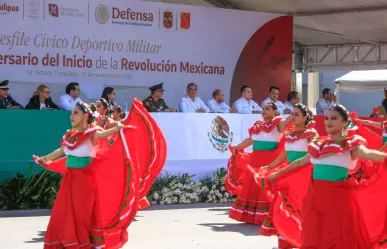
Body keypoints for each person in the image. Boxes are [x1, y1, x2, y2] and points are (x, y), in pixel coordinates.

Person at [32, 98, 167, 248]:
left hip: (85, 182)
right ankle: (67, 242)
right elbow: (61, 151)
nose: (71, 116)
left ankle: (82, 243)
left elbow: (105, 135)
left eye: (75, 113)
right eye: (71, 113)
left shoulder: (92, 135)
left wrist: (117, 128)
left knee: (81, 215)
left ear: (84, 116)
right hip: (69, 181)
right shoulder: (70, 136)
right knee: (62, 213)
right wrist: (44, 159)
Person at [268, 104, 387, 249]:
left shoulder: (350, 145)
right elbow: (300, 162)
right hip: (315, 200)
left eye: (334, 118)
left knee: (338, 239)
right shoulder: (318, 145)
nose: (329, 122)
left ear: (345, 122)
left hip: (339, 202)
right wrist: (276, 173)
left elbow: (370, 154)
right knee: (313, 236)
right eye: (327, 118)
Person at [248, 103, 317, 249]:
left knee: (299, 209)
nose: (293, 117)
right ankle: (284, 242)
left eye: (297, 114)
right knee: (283, 207)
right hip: (289, 172)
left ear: (305, 117)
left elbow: (310, 157)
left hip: (303, 175)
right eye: (292, 113)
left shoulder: (311, 135)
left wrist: (279, 172)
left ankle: (302, 242)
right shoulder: (290, 134)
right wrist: (270, 166)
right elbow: (285, 153)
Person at [227, 102, 292, 224]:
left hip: (269, 161)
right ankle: (251, 216)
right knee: (253, 186)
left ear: (275, 112)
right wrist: (237, 147)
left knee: (265, 187)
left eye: (267, 109)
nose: (264, 111)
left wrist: (296, 111)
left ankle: (268, 216)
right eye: (263, 109)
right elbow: (250, 140)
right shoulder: (258, 126)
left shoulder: (278, 124)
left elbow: (288, 121)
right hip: (255, 160)